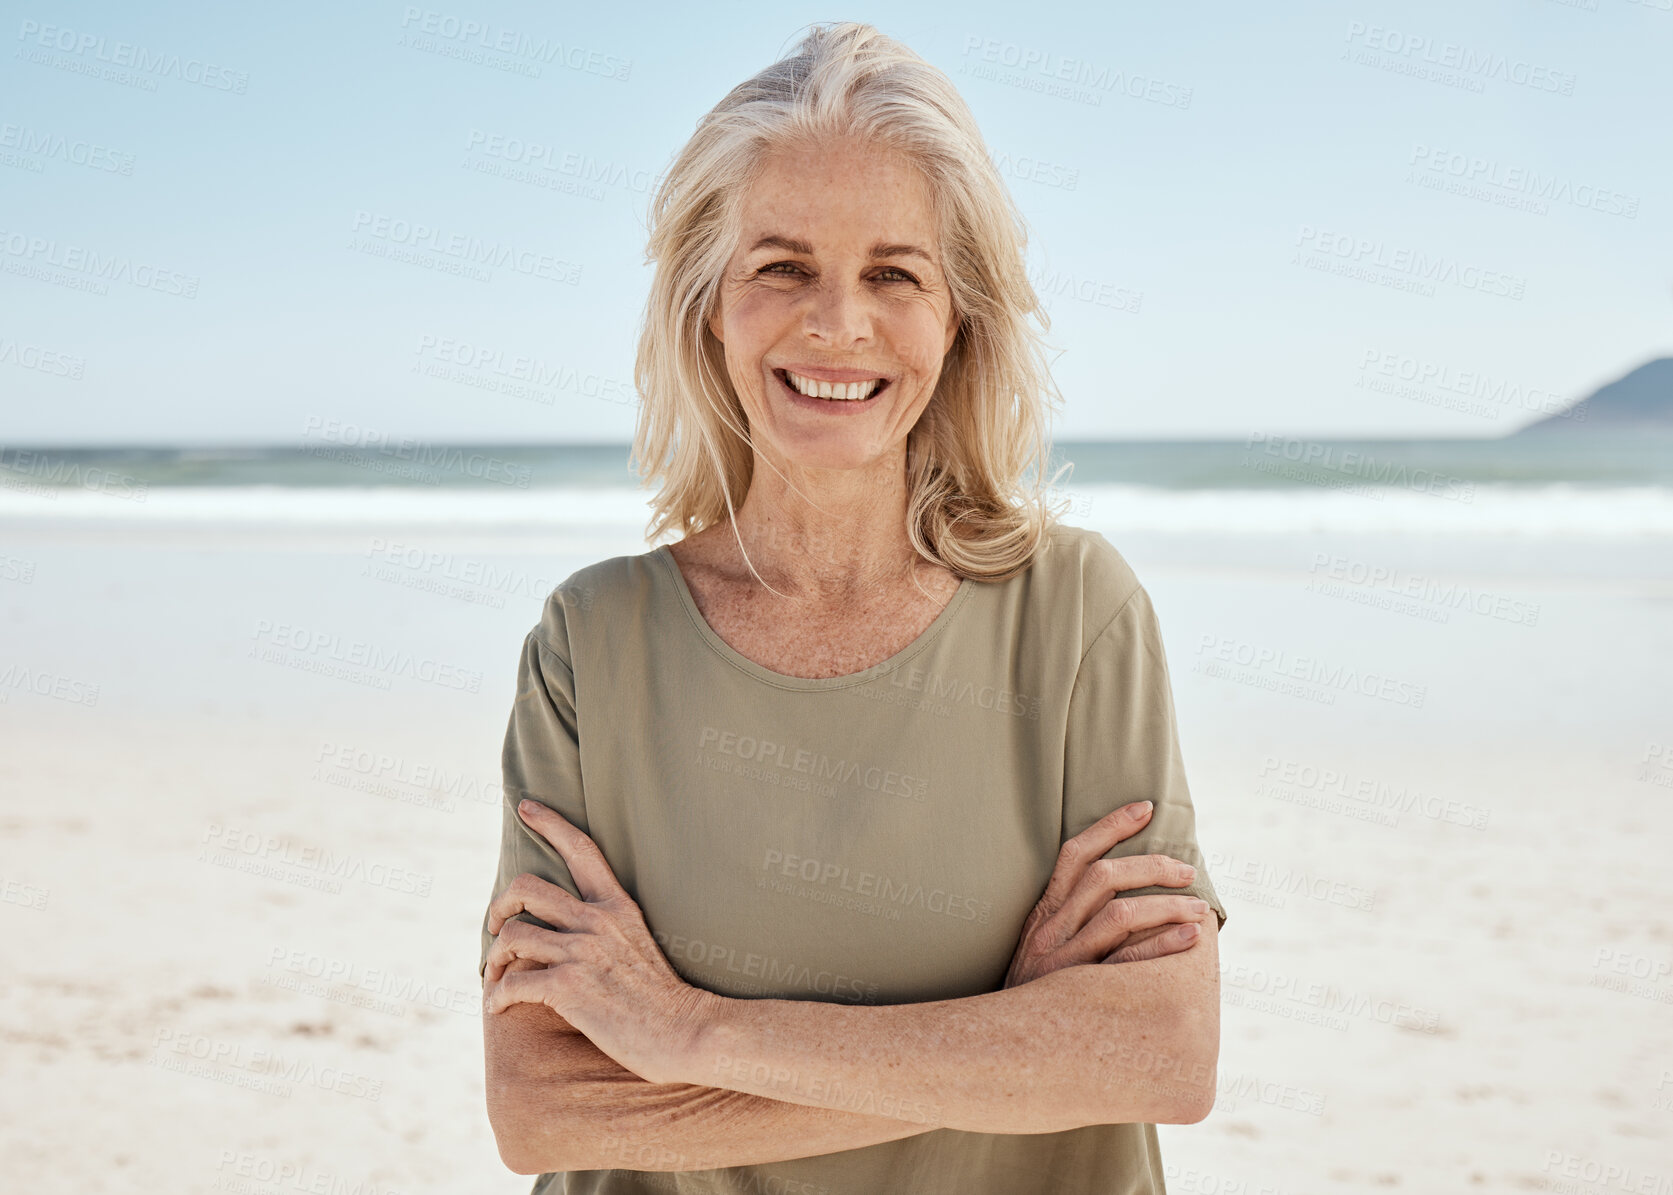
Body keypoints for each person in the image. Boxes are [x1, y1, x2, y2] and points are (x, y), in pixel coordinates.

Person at [477, 20, 1226, 1194]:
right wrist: (1012, 1036)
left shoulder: (1076, 615)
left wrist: (687, 1032)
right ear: (706, 305)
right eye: (782, 266)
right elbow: (543, 1112)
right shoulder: (591, 645)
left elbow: (1160, 1053)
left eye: (893, 272)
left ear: (956, 315)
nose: (837, 323)